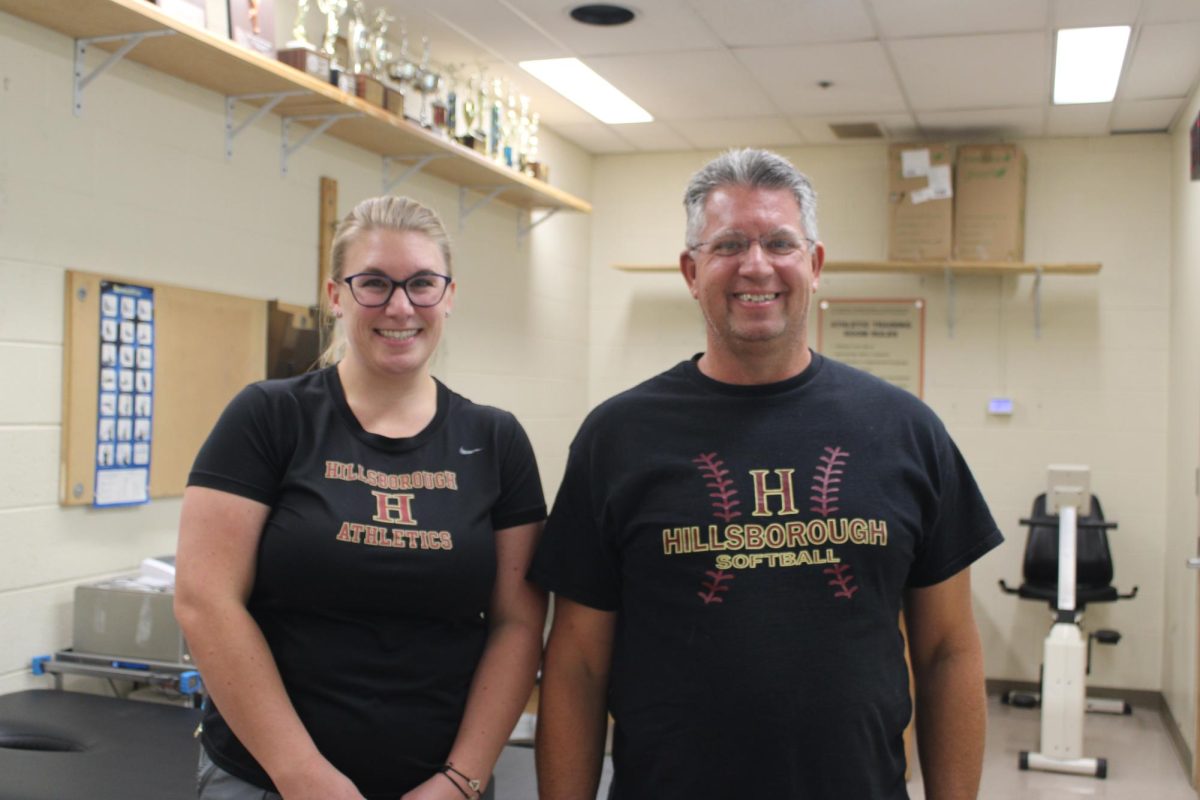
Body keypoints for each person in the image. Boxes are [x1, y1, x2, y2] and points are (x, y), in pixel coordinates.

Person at [529, 149, 1003, 800]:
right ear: (691, 272)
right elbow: (577, 664)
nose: (756, 265)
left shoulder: (906, 430)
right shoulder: (616, 438)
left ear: (814, 264)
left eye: (780, 242)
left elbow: (949, 648)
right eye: (729, 244)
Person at [175, 196, 548, 800]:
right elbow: (204, 600)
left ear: (449, 295)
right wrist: (303, 775)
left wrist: (461, 780)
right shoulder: (269, 417)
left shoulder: (495, 440)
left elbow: (518, 622)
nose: (400, 306)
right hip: (268, 783)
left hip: (441, 787)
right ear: (336, 295)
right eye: (373, 283)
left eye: (423, 283)